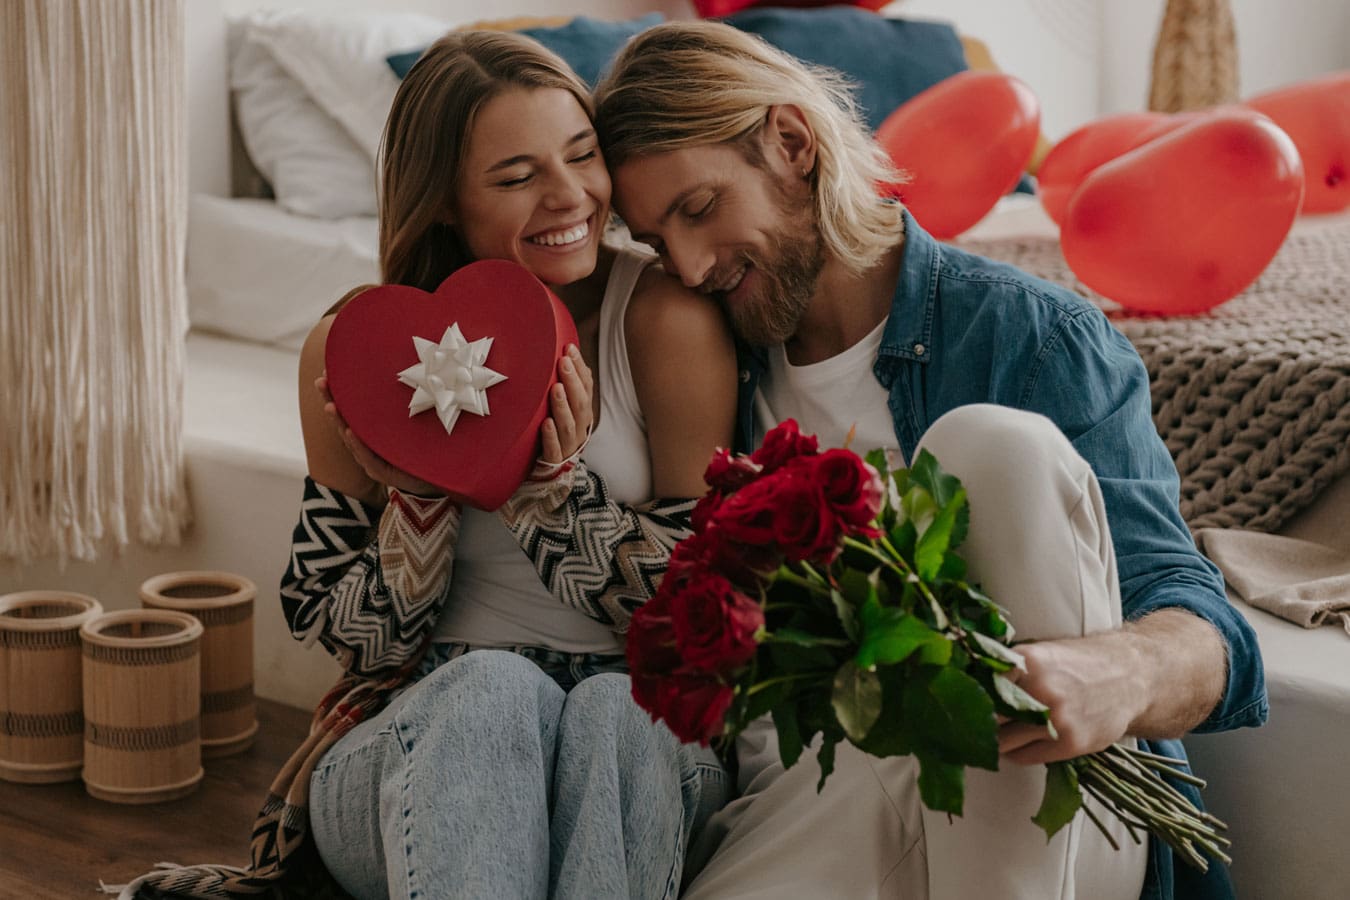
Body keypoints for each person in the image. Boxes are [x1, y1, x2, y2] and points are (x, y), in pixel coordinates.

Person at [592, 21, 1266, 900]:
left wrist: (1118, 673)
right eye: (655, 240)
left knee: (987, 447)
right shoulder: (702, 375)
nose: (687, 265)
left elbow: (1205, 625)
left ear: (791, 143)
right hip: (813, 813)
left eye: (697, 209)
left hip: (1044, 807)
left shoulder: (1027, 338)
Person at [117, 31, 738, 900]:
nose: (571, 197)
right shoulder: (353, 350)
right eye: (517, 178)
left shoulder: (664, 320)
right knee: (489, 688)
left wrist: (548, 496)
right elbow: (347, 636)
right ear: (445, 200)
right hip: (422, 726)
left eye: (583, 155)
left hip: (636, 737)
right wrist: (416, 502)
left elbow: (697, 623)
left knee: (619, 710)